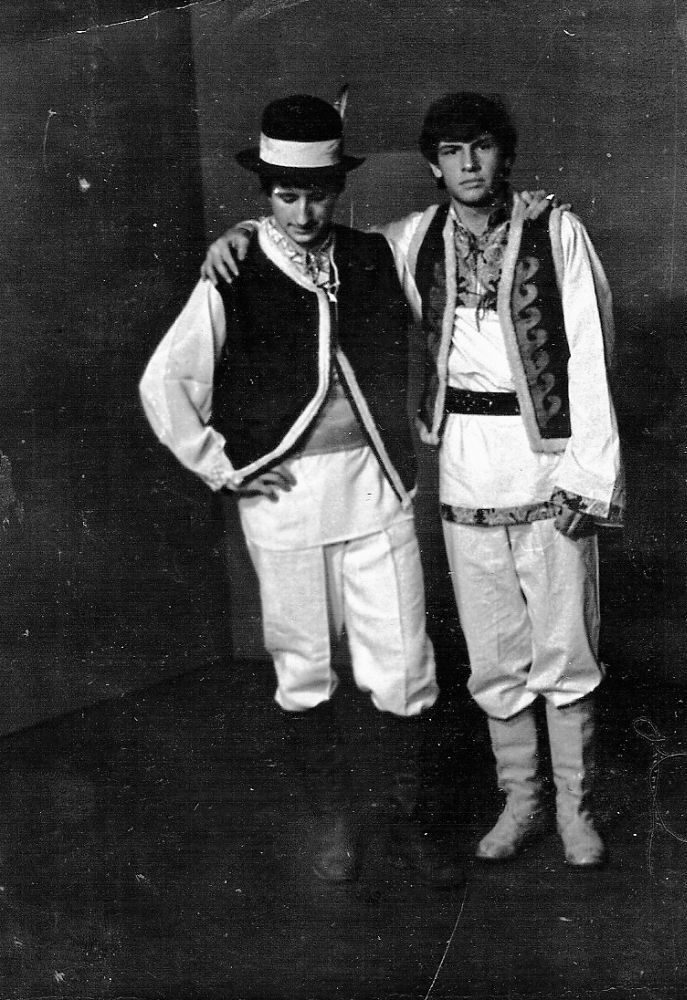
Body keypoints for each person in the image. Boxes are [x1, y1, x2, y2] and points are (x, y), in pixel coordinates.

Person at [202, 91, 624, 868]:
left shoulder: (555, 230)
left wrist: (587, 475)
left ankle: (576, 808)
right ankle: (521, 800)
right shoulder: (411, 240)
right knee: (493, 645)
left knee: (564, 638)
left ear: (505, 154)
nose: (469, 165)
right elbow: (321, 252)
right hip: (463, 460)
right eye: (452, 152)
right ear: (433, 165)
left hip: (548, 455)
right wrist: (246, 238)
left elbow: (592, 351)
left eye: (482, 147)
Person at [139, 94, 463, 889]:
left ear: (338, 189)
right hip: (284, 500)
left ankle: (403, 823)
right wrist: (225, 466)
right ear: (266, 193)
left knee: (404, 665)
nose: (305, 212)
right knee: (305, 667)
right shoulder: (236, 268)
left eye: (318, 193)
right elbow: (166, 381)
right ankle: (334, 823)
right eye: (287, 195)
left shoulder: (373, 254)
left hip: (376, 488)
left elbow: (450, 237)